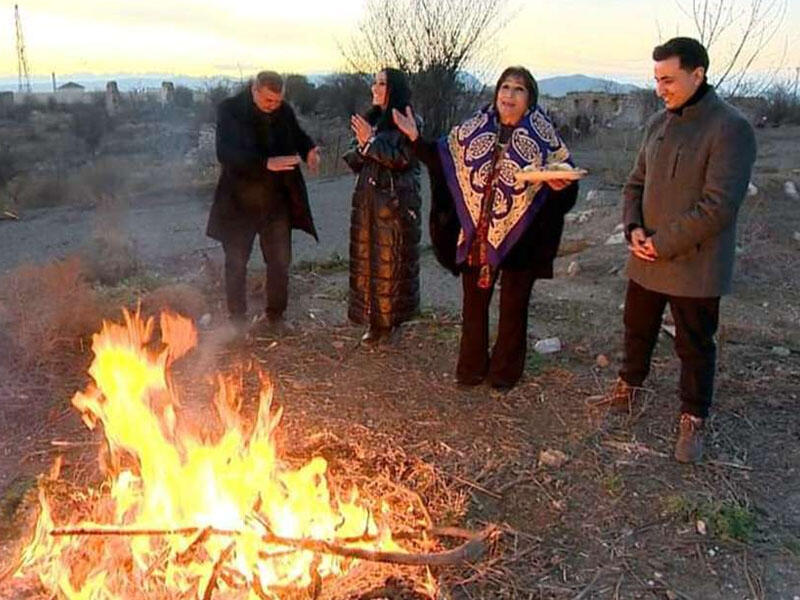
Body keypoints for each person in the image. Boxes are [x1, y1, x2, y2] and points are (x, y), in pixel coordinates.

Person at [593, 37, 756, 463]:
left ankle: (693, 418)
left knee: (694, 344)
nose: (660, 88)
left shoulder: (730, 128)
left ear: (697, 74)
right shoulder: (657, 125)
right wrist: (633, 229)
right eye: (656, 80)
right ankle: (629, 388)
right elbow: (635, 184)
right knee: (637, 328)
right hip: (645, 256)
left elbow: (718, 206)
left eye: (668, 79)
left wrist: (661, 243)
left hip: (695, 264)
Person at [393, 66, 579, 389]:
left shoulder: (543, 136)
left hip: (524, 238)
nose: (509, 94)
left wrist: (562, 187)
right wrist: (415, 139)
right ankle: (471, 369)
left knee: (513, 309)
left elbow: (566, 182)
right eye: (505, 87)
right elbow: (442, 158)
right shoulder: (475, 129)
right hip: (477, 236)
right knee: (474, 308)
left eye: (518, 89)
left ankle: (504, 374)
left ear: (530, 98)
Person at [206, 70, 320, 335]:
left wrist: (309, 150)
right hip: (239, 203)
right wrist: (265, 164)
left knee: (280, 261)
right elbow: (225, 153)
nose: (273, 106)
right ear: (255, 91)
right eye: (268, 100)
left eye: (278, 101)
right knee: (236, 263)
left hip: (275, 203)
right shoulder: (230, 110)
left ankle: (276, 316)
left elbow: (298, 136)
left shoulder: (283, 111)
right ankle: (237, 320)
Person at [343, 68, 422, 344]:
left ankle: (388, 324)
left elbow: (402, 159)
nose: (374, 89)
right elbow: (360, 160)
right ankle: (373, 321)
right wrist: (363, 146)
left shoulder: (409, 121)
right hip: (367, 205)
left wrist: (371, 143)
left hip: (394, 207)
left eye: (381, 84)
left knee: (391, 267)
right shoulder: (373, 119)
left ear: (394, 89)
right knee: (368, 266)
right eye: (374, 83)